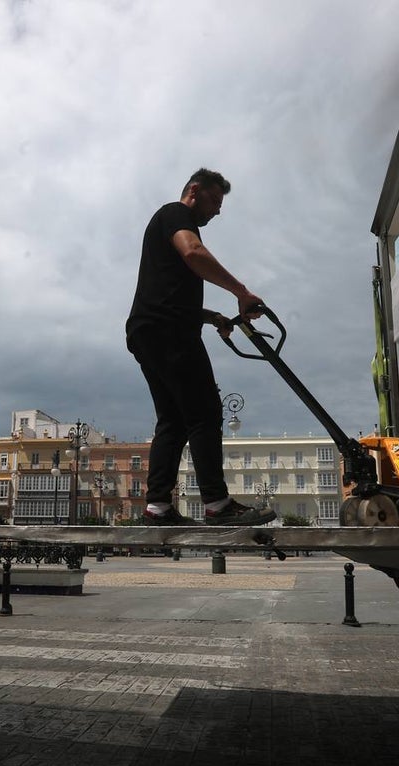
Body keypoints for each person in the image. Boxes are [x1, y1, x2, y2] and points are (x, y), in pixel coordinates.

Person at [126, 168, 277, 527]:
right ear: (194, 191)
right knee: (205, 410)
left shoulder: (165, 223)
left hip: (149, 330)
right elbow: (193, 252)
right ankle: (217, 504)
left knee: (173, 421)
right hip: (169, 331)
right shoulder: (175, 214)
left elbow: (171, 292)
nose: (218, 211)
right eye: (214, 201)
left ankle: (157, 508)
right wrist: (241, 292)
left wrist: (212, 318)